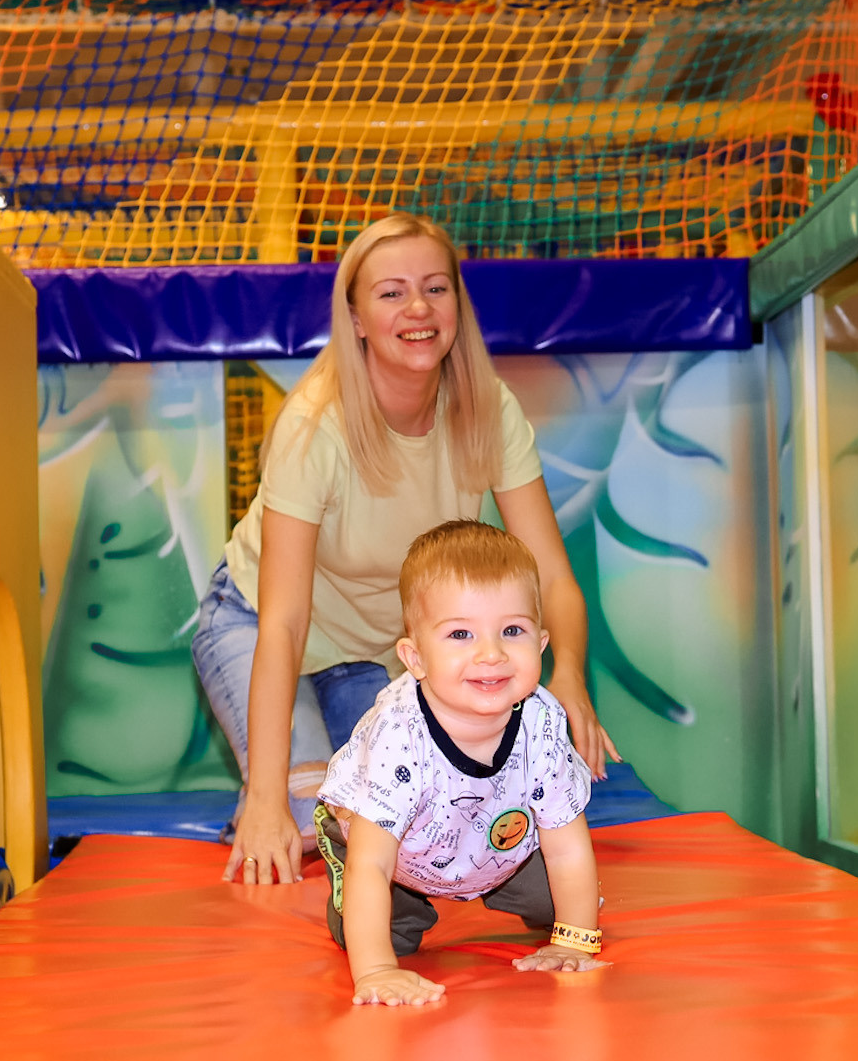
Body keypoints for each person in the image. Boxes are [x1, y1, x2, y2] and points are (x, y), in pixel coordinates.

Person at [191, 212, 618, 886]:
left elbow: (551, 577)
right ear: (356, 316)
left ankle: (295, 779)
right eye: (391, 293)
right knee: (311, 820)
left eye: (435, 288)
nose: (417, 308)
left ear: (456, 302)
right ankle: (263, 793)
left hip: (379, 651)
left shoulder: (486, 408)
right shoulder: (315, 426)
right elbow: (284, 622)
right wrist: (269, 798)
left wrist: (569, 675)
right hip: (255, 626)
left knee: (416, 819)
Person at [315, 521, 605, 1006]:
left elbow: (568, 845)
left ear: (540, 643)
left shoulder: (543, 723)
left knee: (567, 904)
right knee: (379, 931)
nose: (490, 653)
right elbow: (371, 862)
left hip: (494, 845)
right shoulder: (399, 735)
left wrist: (572, 941)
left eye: (512, 630)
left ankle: (504, 888)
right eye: (460, 634)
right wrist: (378, 972)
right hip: (393, 853)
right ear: (415, 658)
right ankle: (397, 908)